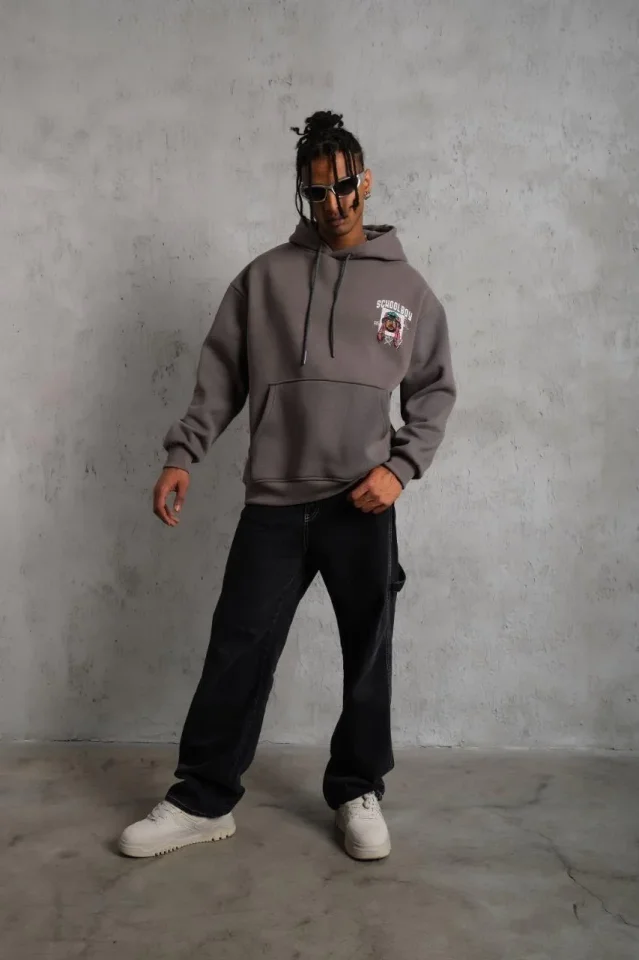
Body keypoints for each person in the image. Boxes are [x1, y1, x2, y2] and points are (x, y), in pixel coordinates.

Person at [119, 110, 456, 861]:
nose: (333, 205)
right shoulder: (263, 278)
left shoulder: (406, 289)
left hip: (360, 502)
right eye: (317, 193)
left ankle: (358, 789)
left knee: (367, 652)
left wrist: (399, 469)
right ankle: (202, 800)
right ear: (303, 194)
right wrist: (183, 454)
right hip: (274, 498)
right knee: (236, 649)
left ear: (364, 182)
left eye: (344, 187)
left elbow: (433, 391)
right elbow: (219, 377)